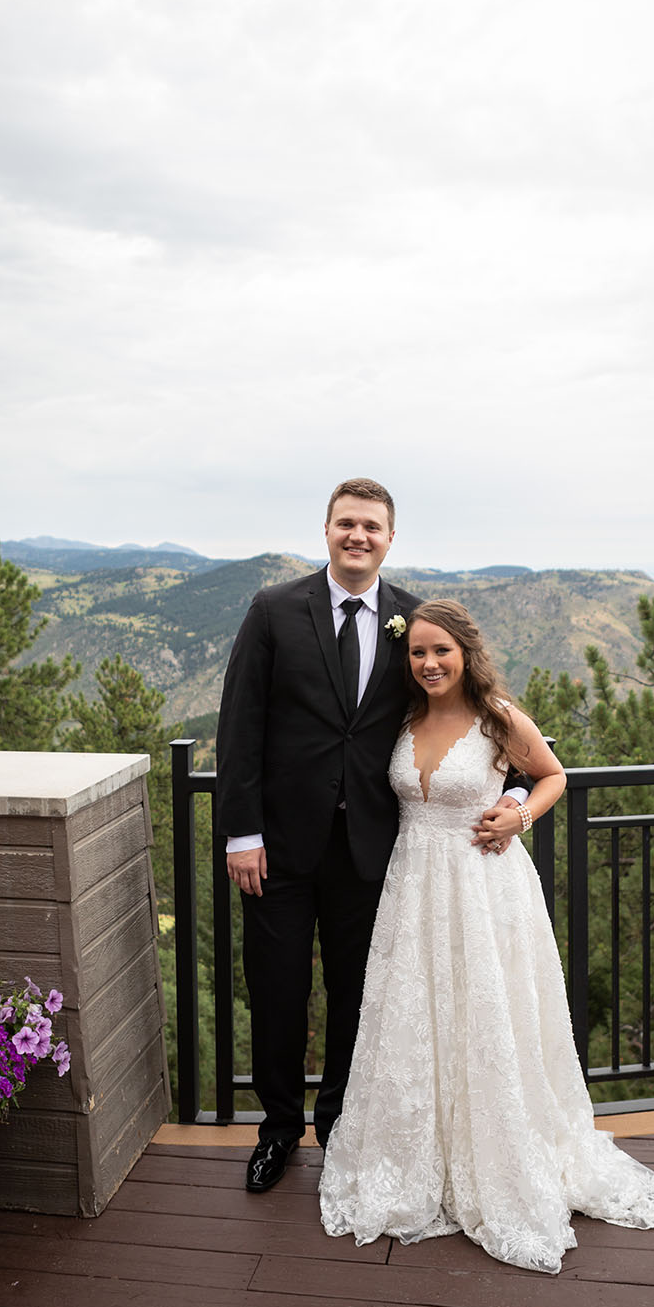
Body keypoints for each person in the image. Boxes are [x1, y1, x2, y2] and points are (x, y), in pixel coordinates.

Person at [318, 599, 654, 1271]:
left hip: (484, 892)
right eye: (418, 652)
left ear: (466, 654)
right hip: (413, 889)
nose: (429, 663)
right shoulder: (399, 720)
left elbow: (552, 776)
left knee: (486, 1018)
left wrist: (520, 813)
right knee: (415, 1019)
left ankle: (500, 1157)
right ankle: (419, 1156)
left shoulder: (498, 719)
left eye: (441, 651)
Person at [217, 479, 528, 1195]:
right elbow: (240, 727)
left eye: (372, 527)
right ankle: (277, 1131)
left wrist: (513, 798)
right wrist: (242, 833)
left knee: (364, 994)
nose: (358, 536)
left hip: (378, 851)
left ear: (391, 538)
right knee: (278, 990)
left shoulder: (415, 622)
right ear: (327, 530)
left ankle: (342, 1125)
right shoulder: (272, 611)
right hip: (279, 849)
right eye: (346, 524)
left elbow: (479, 718)